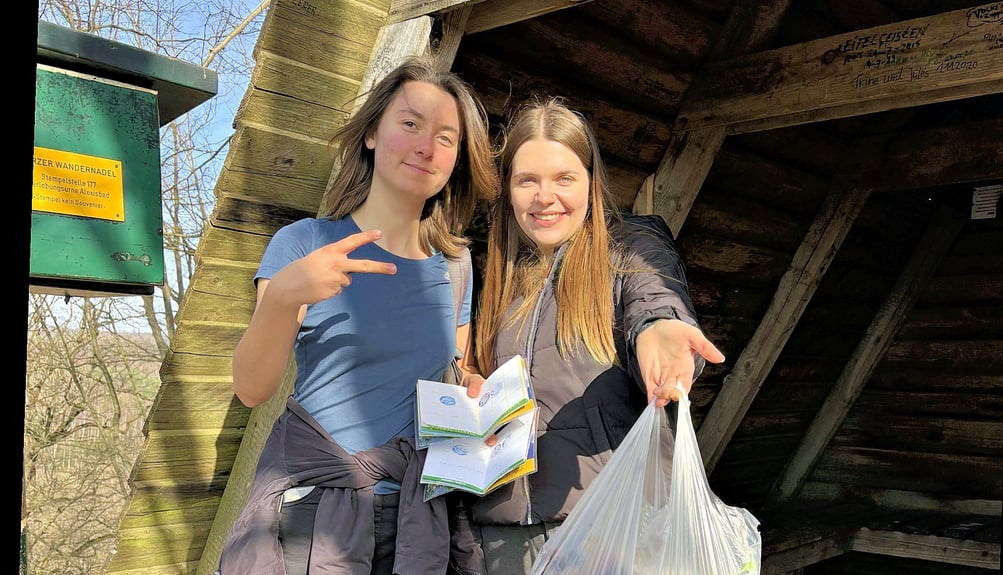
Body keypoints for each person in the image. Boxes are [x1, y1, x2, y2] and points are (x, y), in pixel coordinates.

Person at [216, 55, 498, 575]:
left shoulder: (456, 264)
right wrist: (281, 299)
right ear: (371, 134)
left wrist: (480, 394)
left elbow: (456, 373)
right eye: (410, 124)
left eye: (445, 137)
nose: (425, 146)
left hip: (417, 517)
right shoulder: (305, 243)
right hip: (315, 511)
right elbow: (252, 389)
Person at [463, 98, 726, 574]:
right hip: (503, 535)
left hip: (609, 527)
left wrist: (659, 333)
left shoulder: (631, 249)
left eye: (565, 178)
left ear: (591, 182)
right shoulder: (498, 276)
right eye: (528, 180)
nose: (546, 197)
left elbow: (654, 300)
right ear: (508, 190)